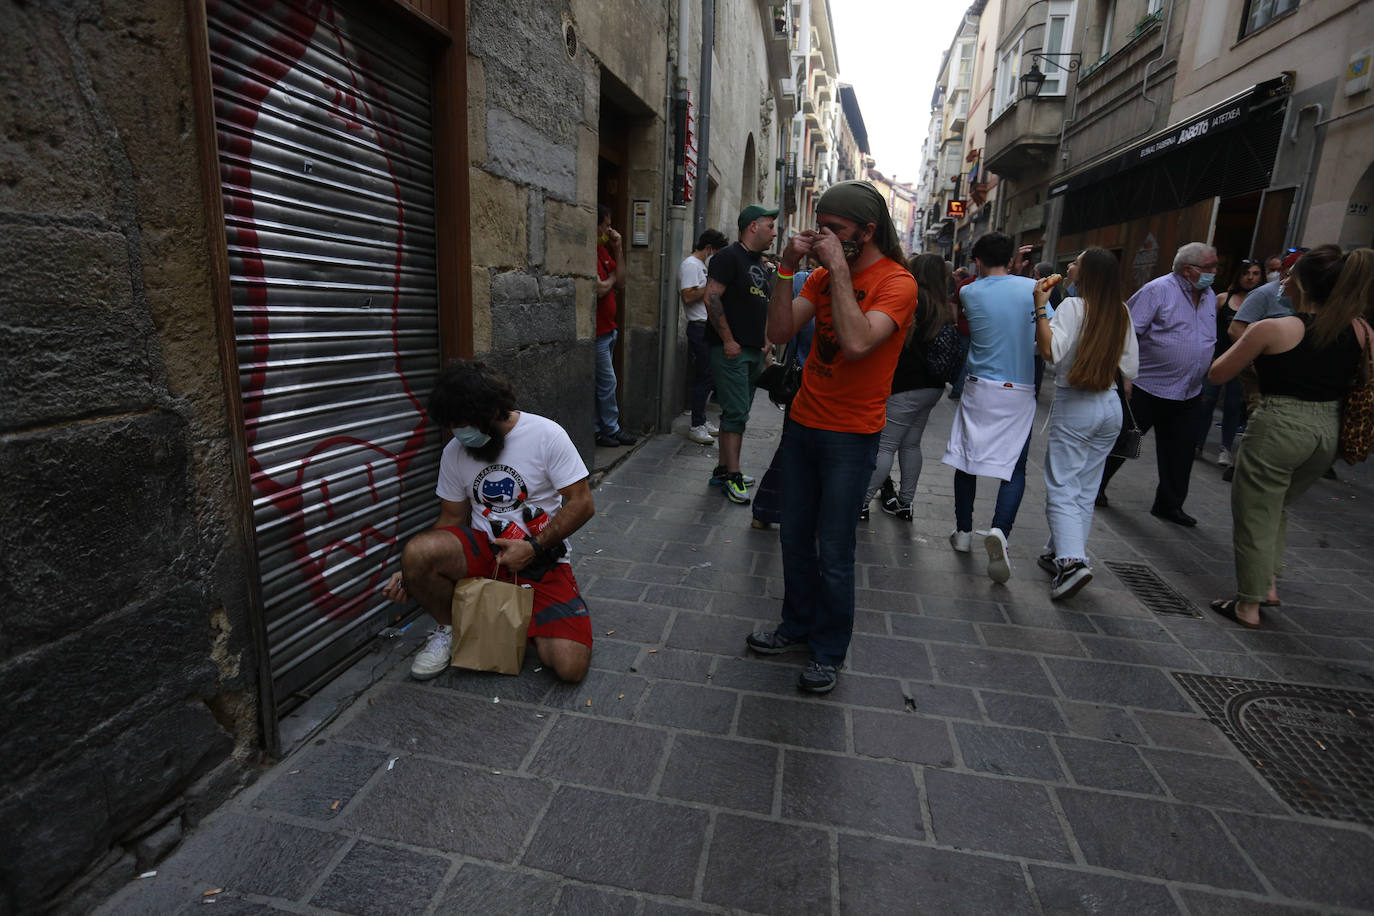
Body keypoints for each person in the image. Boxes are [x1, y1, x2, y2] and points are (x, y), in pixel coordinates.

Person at [745, 180, 917, 694]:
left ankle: (828, 651)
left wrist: (837, 271)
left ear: (867, 231)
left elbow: (859, 341)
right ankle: (795, 627)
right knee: (795, 537)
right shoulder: (817, 277)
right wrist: (784, 272)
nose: (825, 237)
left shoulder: (897, 283)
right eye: (821, 228)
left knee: (835, 550)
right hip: (803, 424)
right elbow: (777, 333)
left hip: (851, 435)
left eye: (836, 230)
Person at [382, 360, 595, 682]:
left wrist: (533, 547)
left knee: (569, 667)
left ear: (495, 411)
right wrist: (410, 571)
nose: (460, 433)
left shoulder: (545, 435)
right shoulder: (455, 451)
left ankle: (517, 617)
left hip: (542, 557)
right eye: (453, 425)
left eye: (467, 424)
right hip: (487, 553)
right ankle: (451, 628)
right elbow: (452, 517)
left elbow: (582, 503)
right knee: (418, 552)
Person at [1206, 246, 1373, 628]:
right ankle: (1267, 586)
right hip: (1326, 432)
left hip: (1279, 425)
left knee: (1254, 513)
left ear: (1299, 283)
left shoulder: (1275, 328)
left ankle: (1247, 604)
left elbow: (1217, 373)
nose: (1281, 281)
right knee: (1275, 506)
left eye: (1287, 277)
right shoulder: (1361, 329)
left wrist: (1254, 356)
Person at [1032, 248, 1139, 599]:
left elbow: (1050, 351)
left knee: (1062, 485)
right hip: (1110, 405)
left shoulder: (1072, 307)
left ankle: (1072, 563)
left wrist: (1039, 307)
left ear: (1088, 273)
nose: (1069, 266)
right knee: (1086, 486)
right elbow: (1131, 370)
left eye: (1076, 262)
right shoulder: (1120, 312)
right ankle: (1058, 550)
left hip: (1077, 403)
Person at [1096, 242, 1218, 526]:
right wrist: (1124, 375)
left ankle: (1169, 504)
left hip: (1188, 390)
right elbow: (1126, 332)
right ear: (1189, 270)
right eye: (1210, 267)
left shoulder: (1210, 295)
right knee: (1123, 441)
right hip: (1147, 386)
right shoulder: (1158, 290)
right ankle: (1096, 487)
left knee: (1181, 450)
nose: (1216, 271)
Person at [942, 231, 1040, 583]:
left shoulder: (969, 291)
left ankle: (964, 532)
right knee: (1014, 467)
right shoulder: (1032, 289)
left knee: (967, 461)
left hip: (980, 386)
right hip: (1020, 388)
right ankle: (1000, 531)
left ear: (978, 261)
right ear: (1012, 258)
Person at [859, 253, 951, 521]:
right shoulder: (942, 304)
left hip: (905, 384)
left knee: (885, 446)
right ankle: (906, 503)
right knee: (911, 445)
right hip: (932, 387)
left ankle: (861, 502)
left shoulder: (911, 298)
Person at [704, 205, 778, 504]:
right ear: (752, 227)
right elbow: (711, 298)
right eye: (770, 226)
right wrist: (728, 340)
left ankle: (723, 469)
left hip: (752, 351)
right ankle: (733, 475)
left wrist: (766, 342)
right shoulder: (727, 257)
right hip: (731, 350)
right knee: (736, 413)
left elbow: (761, 306)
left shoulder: (760, 262)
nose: (774, 233)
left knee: (737, 413)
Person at [1197, 258, 1261, 467]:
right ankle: (1197, 444)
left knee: (1233, 406)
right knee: (1206, 402)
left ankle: (1225, 448)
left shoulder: (1261, 301)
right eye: (1246, 273)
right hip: (1217, 357)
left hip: (1242, 361)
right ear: (1239, 275)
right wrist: (1210, 352)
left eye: (1255, 273)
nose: (1250, 277)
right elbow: (1208, 327)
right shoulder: (1223, 299)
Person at [679, 229, 729, 444]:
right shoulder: (691, 265)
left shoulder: (701, 265)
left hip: (705, 326)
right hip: (698, 326)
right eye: (716, 252)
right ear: (709, 248)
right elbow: (688, 295)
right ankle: (697, 424)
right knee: (704, 376)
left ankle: (702, 418)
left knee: (709, 376)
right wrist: (710, 287)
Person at [594, 205, 636, 448]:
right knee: (607, 382)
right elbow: (599, 289)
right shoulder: (591, 253)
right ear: (597, 225)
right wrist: (608, 281)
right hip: (598, 332)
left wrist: (618, 248)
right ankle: (610, 428)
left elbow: (620, 281)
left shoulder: (602, 250)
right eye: (606, 225)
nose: (608, 230)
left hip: (609, 329)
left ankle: (603, 428)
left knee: (604, 382)